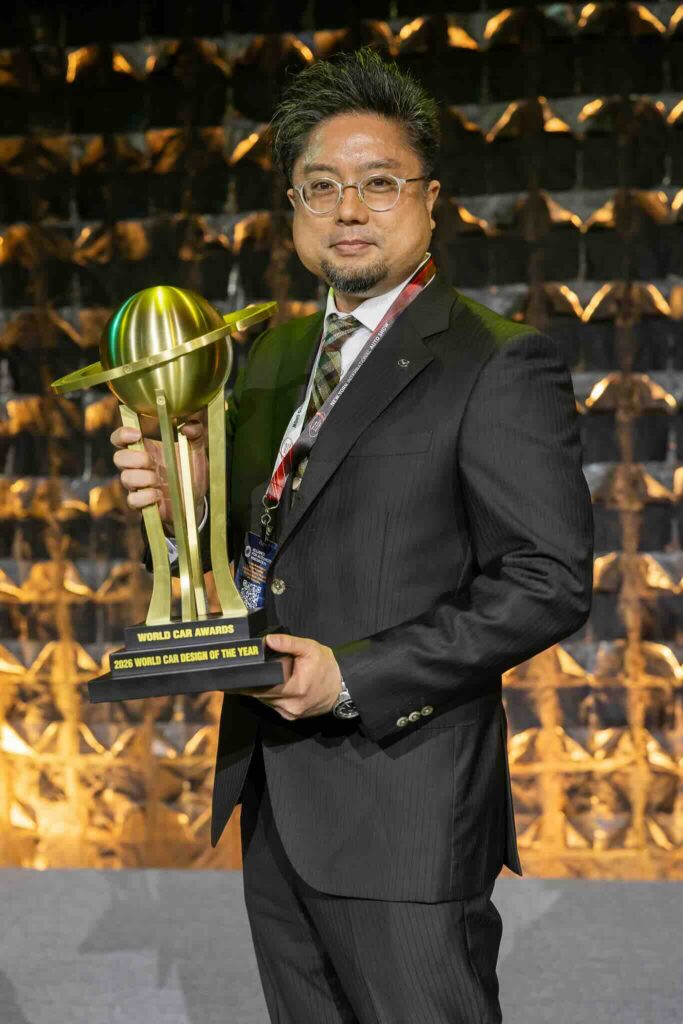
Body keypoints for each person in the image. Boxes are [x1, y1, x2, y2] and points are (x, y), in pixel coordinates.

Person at [110, 48, 593, 1024]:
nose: (348, 210)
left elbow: (546, 580)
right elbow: (271, 542)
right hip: (270, 790)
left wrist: (351, 676)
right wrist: (191, 502)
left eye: (378, 183)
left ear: (429, 200)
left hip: (404, 803)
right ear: (292, 206)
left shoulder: (495, 361)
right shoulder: (271, 355)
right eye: (321, 186)